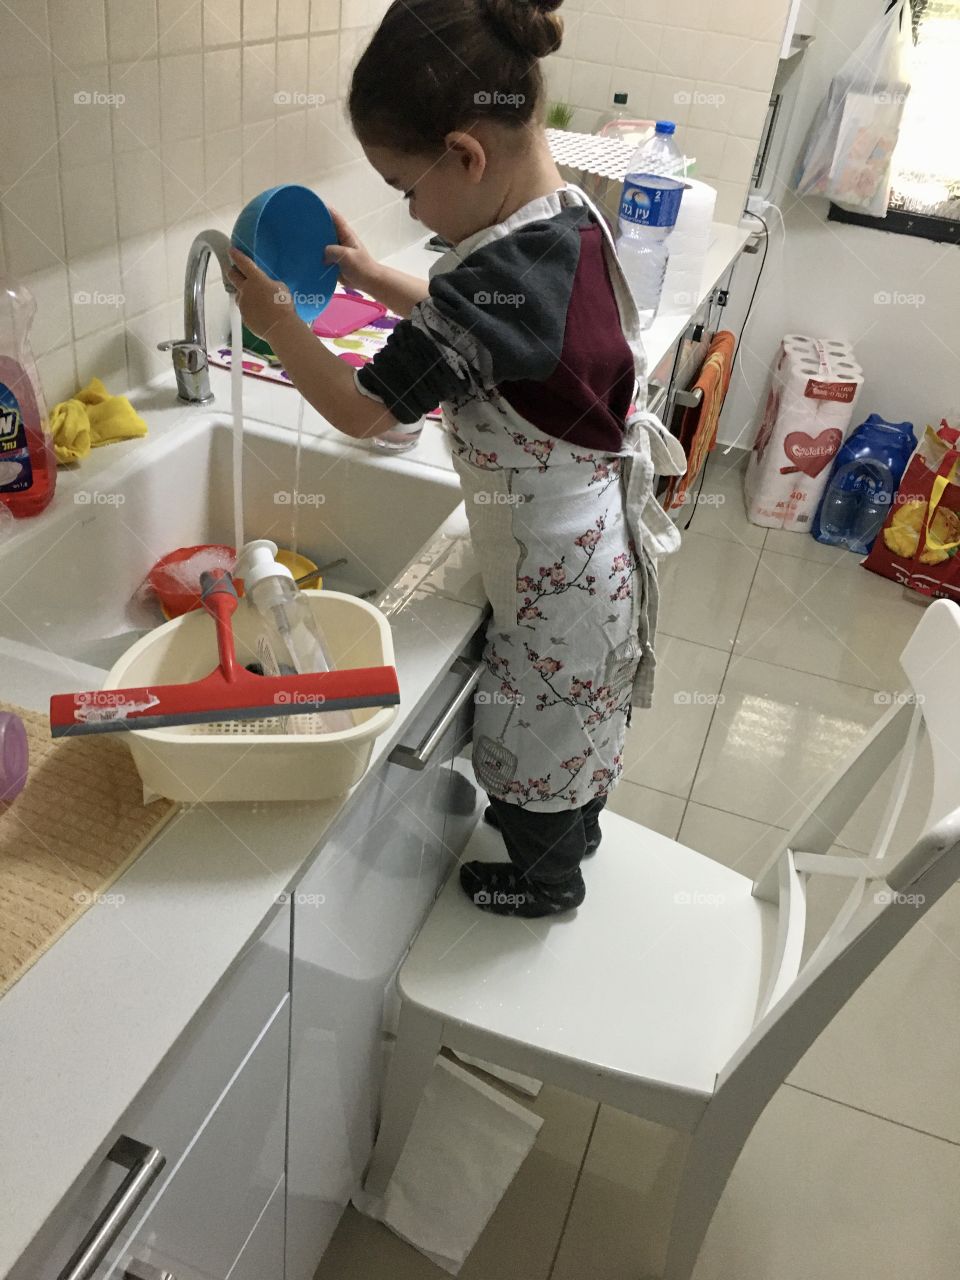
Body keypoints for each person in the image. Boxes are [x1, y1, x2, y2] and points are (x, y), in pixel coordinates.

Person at [228, 0, 684, 918]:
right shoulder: (566, 222)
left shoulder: (488, 283)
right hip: (593, 547)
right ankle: (577, 826)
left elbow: (362, 409)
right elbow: (465, 315)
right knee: (576, 718)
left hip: (556, 571)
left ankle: (547, 880)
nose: (407, 207)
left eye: (403, 187)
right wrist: (365, 278)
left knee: (537, 735)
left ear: (465, 154)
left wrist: (279, 324)